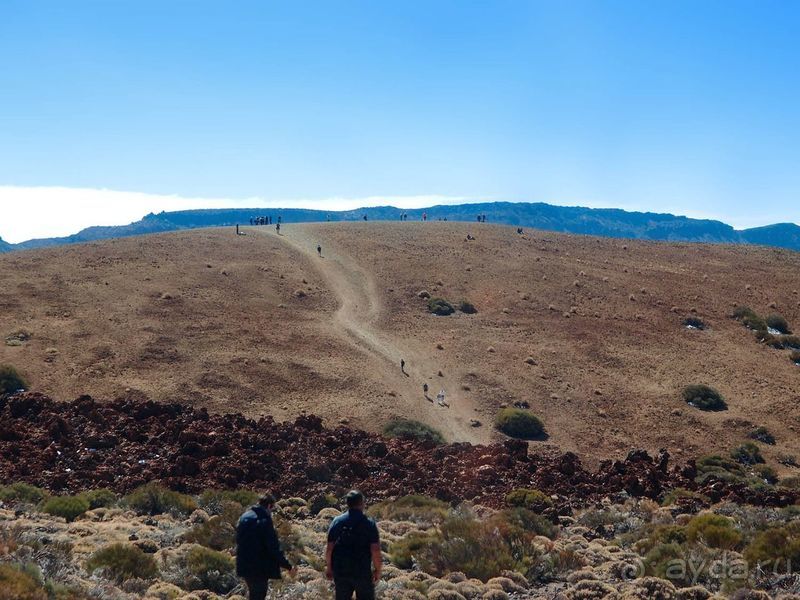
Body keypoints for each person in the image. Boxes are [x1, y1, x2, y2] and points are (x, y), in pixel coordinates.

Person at [236, 493, 295, 600]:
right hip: (259, 567)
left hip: (244, 565)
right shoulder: (264, 520)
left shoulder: (244, 517)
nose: (271, 512)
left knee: (253, 593)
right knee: (258, 595)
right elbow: (273, 548)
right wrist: (288, 566)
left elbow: (238, 539)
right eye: (272, 508)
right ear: (269, 506)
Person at [326, 490, 381, 600]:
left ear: (347, 503)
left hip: (341, 571)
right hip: (362, 571)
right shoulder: (369, 523)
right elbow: (375, 550)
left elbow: (329, 548)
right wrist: (377, 570)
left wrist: (329, 568)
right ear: (361, 503)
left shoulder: (337, 521)